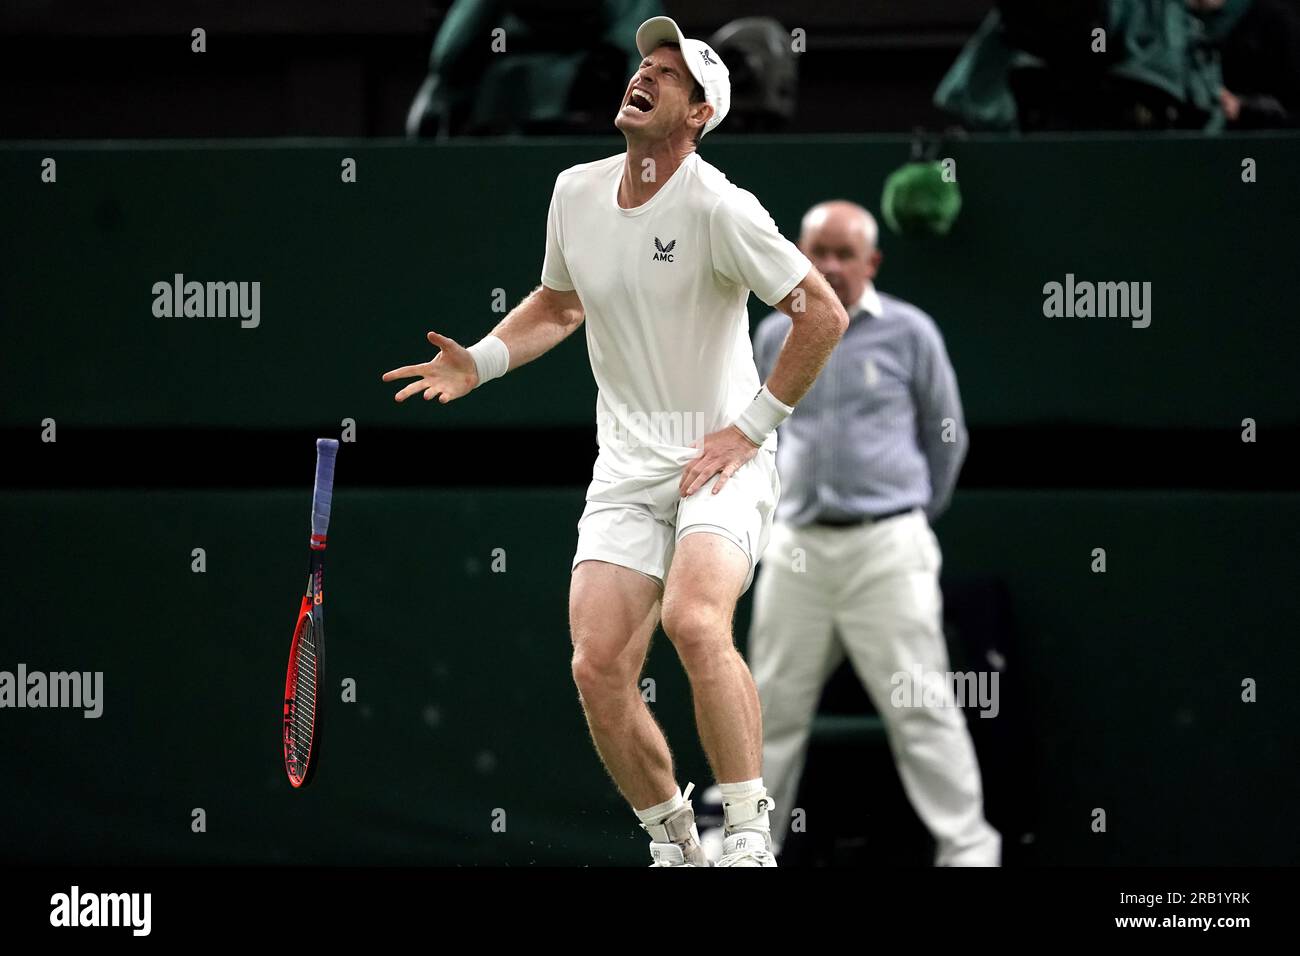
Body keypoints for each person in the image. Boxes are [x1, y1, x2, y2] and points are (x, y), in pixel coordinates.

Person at [382, 16, 848, 866]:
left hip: (720, 458)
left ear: (700, 114)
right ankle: (674, 843)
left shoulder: (721, 206)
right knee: (597, 669)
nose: (644, 77)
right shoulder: (575, 192)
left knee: (695, 621)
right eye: (644, 65)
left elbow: (821, 313)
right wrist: (480, 363)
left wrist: (748, 431)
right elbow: (560, 304)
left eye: (669, 75)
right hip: (627, 467)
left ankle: (747, 836)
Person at [749, 200, 1001, 866]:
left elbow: (946, 438)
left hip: (888, 547)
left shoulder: (912, 334)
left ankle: (969, 850)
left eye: (843, 254)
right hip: (797, 548)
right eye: (818, 252)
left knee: (922, 708)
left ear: (872, 263)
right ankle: (745, 848)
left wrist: (904, 514)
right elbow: (761, 440)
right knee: (764, 710)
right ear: (798, 256)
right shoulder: (773, 337)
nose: (829, 266)